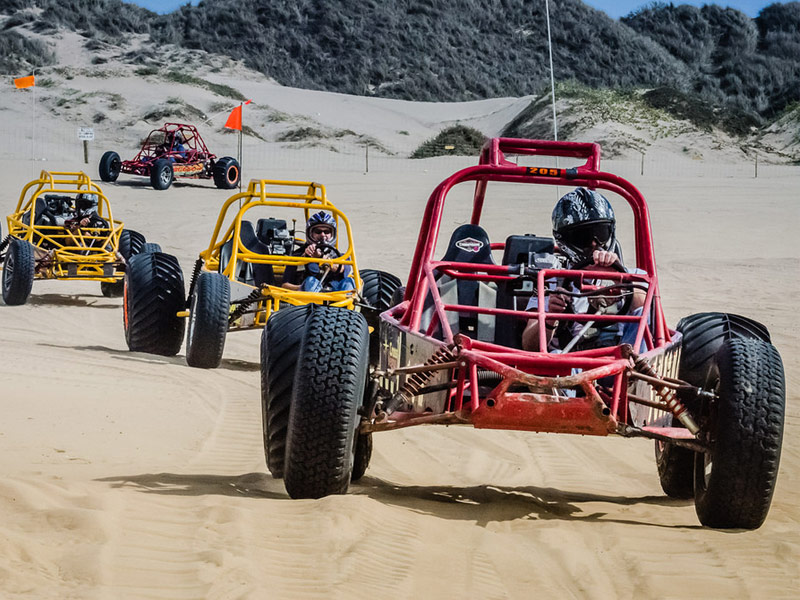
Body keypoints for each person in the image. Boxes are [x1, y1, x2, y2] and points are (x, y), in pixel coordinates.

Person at [521, 187, 646, 352]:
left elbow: (648, 316)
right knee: (557, 355)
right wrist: (550, 318)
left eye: (600, 234)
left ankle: (634, 377)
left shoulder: (633, 276)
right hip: (572, 366)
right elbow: (528, 345)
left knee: (642, 313)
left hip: (624, 363)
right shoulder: (550, 282)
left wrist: (619, 277)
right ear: (564, 239)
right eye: (583, 237)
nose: (594, 244)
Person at [282, 211, 355, 292]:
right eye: (318, 231)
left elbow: (343, 270)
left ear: (332, 234)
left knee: (349, 282)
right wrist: (305, 259)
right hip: (305, 300)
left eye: (326, 232)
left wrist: (322, 259)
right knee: (311, 282)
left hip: (337, 298)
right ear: (310, 233)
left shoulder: (341, 257)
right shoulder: (297, 256)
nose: (323, 235)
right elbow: (285, 285)